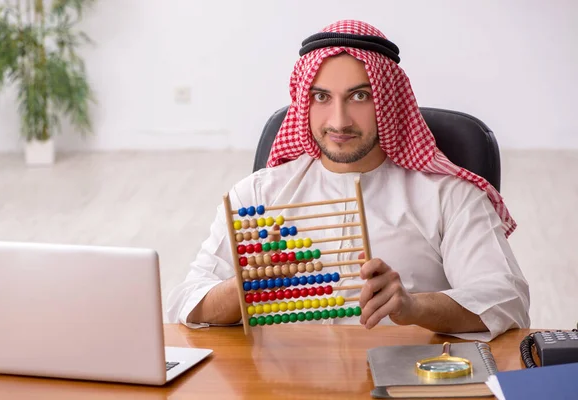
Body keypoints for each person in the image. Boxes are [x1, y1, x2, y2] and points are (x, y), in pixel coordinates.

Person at [166, 20, 530, 341]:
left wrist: (413, 307)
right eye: (321, 97)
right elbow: (187, 301)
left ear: (388, 101)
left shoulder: (449, 196)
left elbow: (506, 300)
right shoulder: (259, 193)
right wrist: (246, 288)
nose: (339, 121)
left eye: (359, 96)